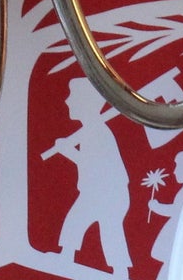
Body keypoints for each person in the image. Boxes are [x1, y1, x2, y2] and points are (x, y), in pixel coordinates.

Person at [42, 77, 132, 280]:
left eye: (72, 97)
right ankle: (66, 257)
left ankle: (120, 271)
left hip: (109, 193)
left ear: (86, 102)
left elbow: (93, 163)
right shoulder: (90, 130)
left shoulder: (98, 131)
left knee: (110, 232)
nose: (67, 101)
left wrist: (67, 151)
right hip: (97, 192)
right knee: (76, 222)